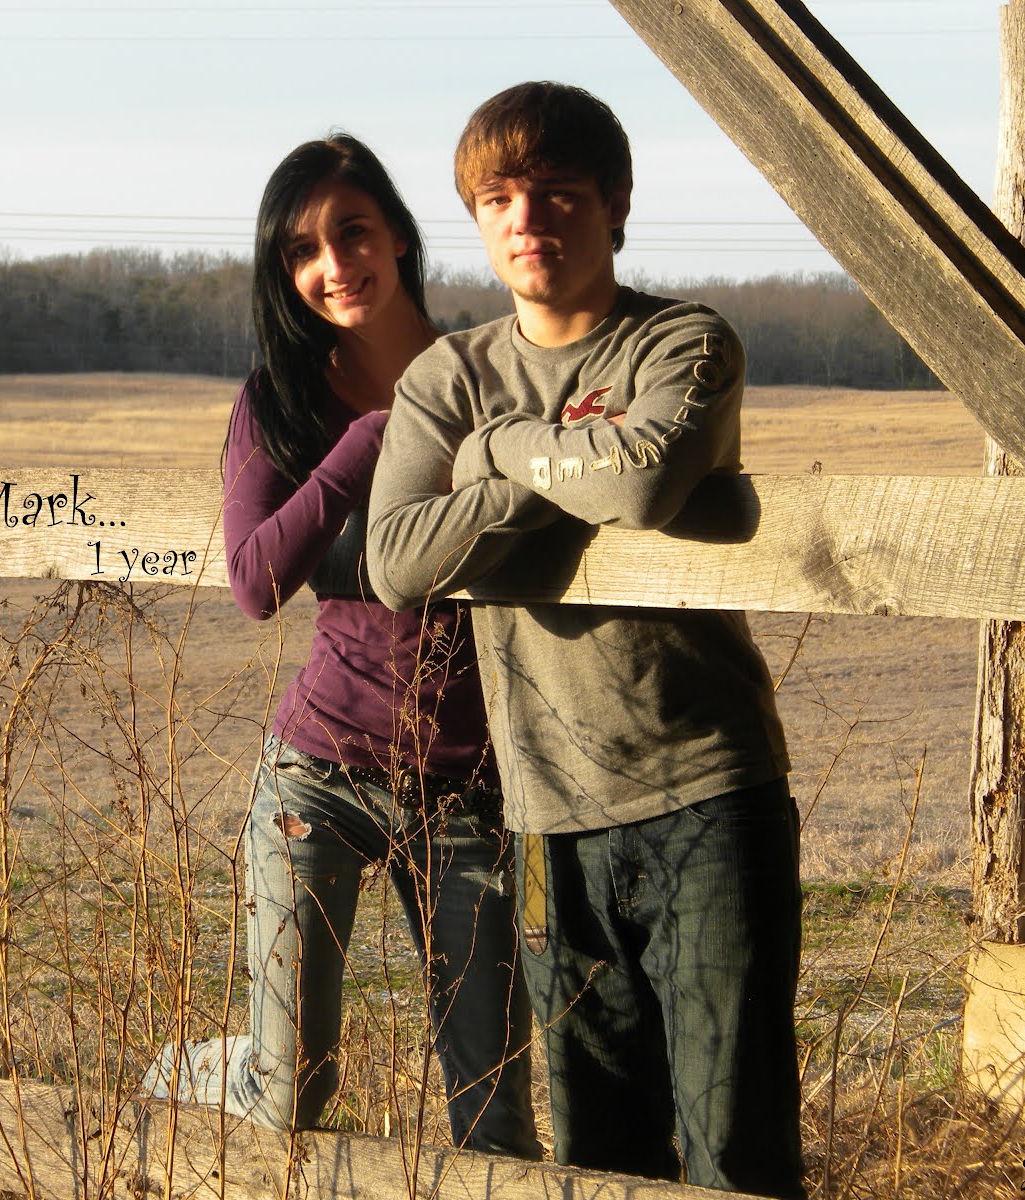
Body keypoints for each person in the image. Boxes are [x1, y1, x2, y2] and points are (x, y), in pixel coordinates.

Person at [365, 82, 805, 1198]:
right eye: (497, 199)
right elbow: (398, 560)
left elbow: (645, 483)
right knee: (600, 1156)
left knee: (737, 1147)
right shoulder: (446, 377)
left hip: (706, 792)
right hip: (547, 814)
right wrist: (562, 464)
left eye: (557, 192)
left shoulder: (681, 340)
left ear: (616, 203)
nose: (526, 219)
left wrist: (497, 449)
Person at [140, 133, 538, 1160]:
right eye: (302, 250)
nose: (333, 264)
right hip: (316, 775)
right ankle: (180, 1075)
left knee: (493, 1113)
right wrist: (363, 444)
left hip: (466, 790)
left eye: (352, 232)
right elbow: (254, 581)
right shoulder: (279, 400)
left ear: (398, 235)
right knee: (291, 1089)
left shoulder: (494, 376)